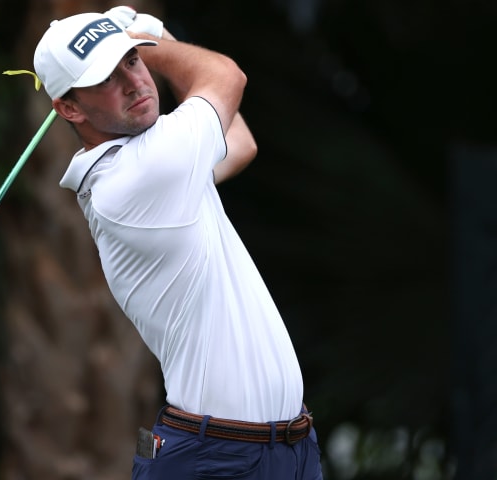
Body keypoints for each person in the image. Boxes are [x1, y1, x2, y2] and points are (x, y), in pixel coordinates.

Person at [32, 7, 323, 480]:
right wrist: (150, 39)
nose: (134, 82)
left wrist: (153, 36)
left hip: (287, 451)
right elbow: (226, 75)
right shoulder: (139, 175)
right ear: (69, 108)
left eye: (131, 61)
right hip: (214, 458)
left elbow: (241, 141)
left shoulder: (166, 166)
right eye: (107, 76)